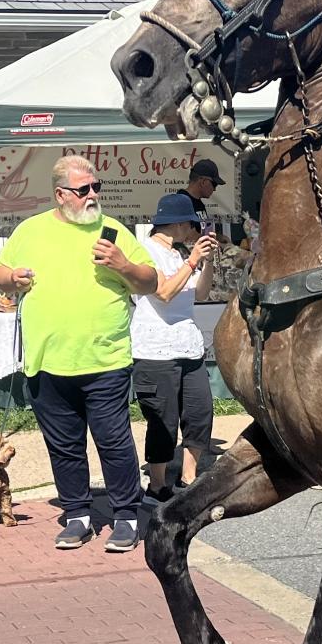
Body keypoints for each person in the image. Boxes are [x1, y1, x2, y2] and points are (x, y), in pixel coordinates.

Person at [0, 154, 158, 551]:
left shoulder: (113, 231)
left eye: (96, 187)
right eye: (84, 190)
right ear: (61, 194)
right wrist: (11, 278)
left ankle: (126, 516)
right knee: (64, 446)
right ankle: (78, 514)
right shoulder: (30, 231)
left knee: (113, 442)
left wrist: (123, 265)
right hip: (48, 362)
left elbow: (150, 282)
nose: (93, 195)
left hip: (105, 360)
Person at [132, 192, 217, 503]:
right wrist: (193, 258)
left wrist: (204, 262)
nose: (192, 231)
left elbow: (202, 293)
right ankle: (157, 486)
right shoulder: (144, 252)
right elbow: (164, 293)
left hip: (188, 347)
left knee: (199, 413)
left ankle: (188, 477)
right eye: (190, 225)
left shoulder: (179, 255)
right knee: (162, 420)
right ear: (179, 223)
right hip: (155, 349)